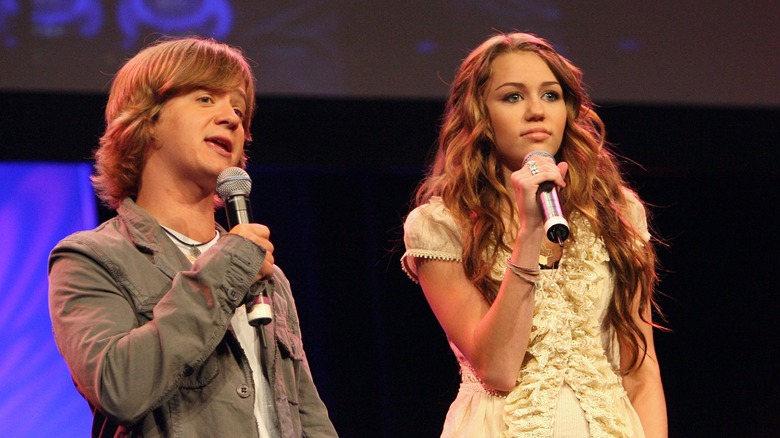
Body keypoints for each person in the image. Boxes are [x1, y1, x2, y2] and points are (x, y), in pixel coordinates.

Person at [48, 37, 338, 437]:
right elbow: (119, 388)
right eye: (205, 99)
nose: (231, 119)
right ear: (145, 120)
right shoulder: (91, 259)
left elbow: (307, 415)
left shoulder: (268, 276)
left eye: (238, 109)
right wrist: (228, 268)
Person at [401, 32, 667, 437]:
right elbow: (498, 369)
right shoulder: (440, 226)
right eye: (512, 97)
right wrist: (528, 235)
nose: (536, 112)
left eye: (550, 95)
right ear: (480, 117)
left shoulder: (617, 212)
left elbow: (641, 372)